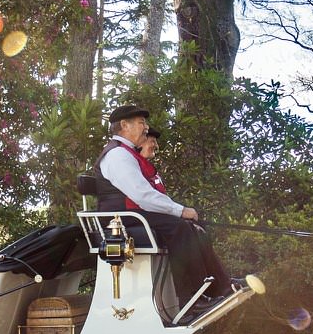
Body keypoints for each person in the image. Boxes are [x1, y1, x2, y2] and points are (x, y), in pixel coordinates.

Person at [95, 104, 233, 307]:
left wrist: (179, 212)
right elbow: (143, 195)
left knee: (194, 228)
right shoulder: (117, 155)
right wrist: (181, 211)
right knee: (179, 227)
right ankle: (191, 299)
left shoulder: (126, 152)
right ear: (124, 125)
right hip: (121, 221)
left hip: (131, 216)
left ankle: (220, 287)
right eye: (141, 122)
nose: (146, 127)